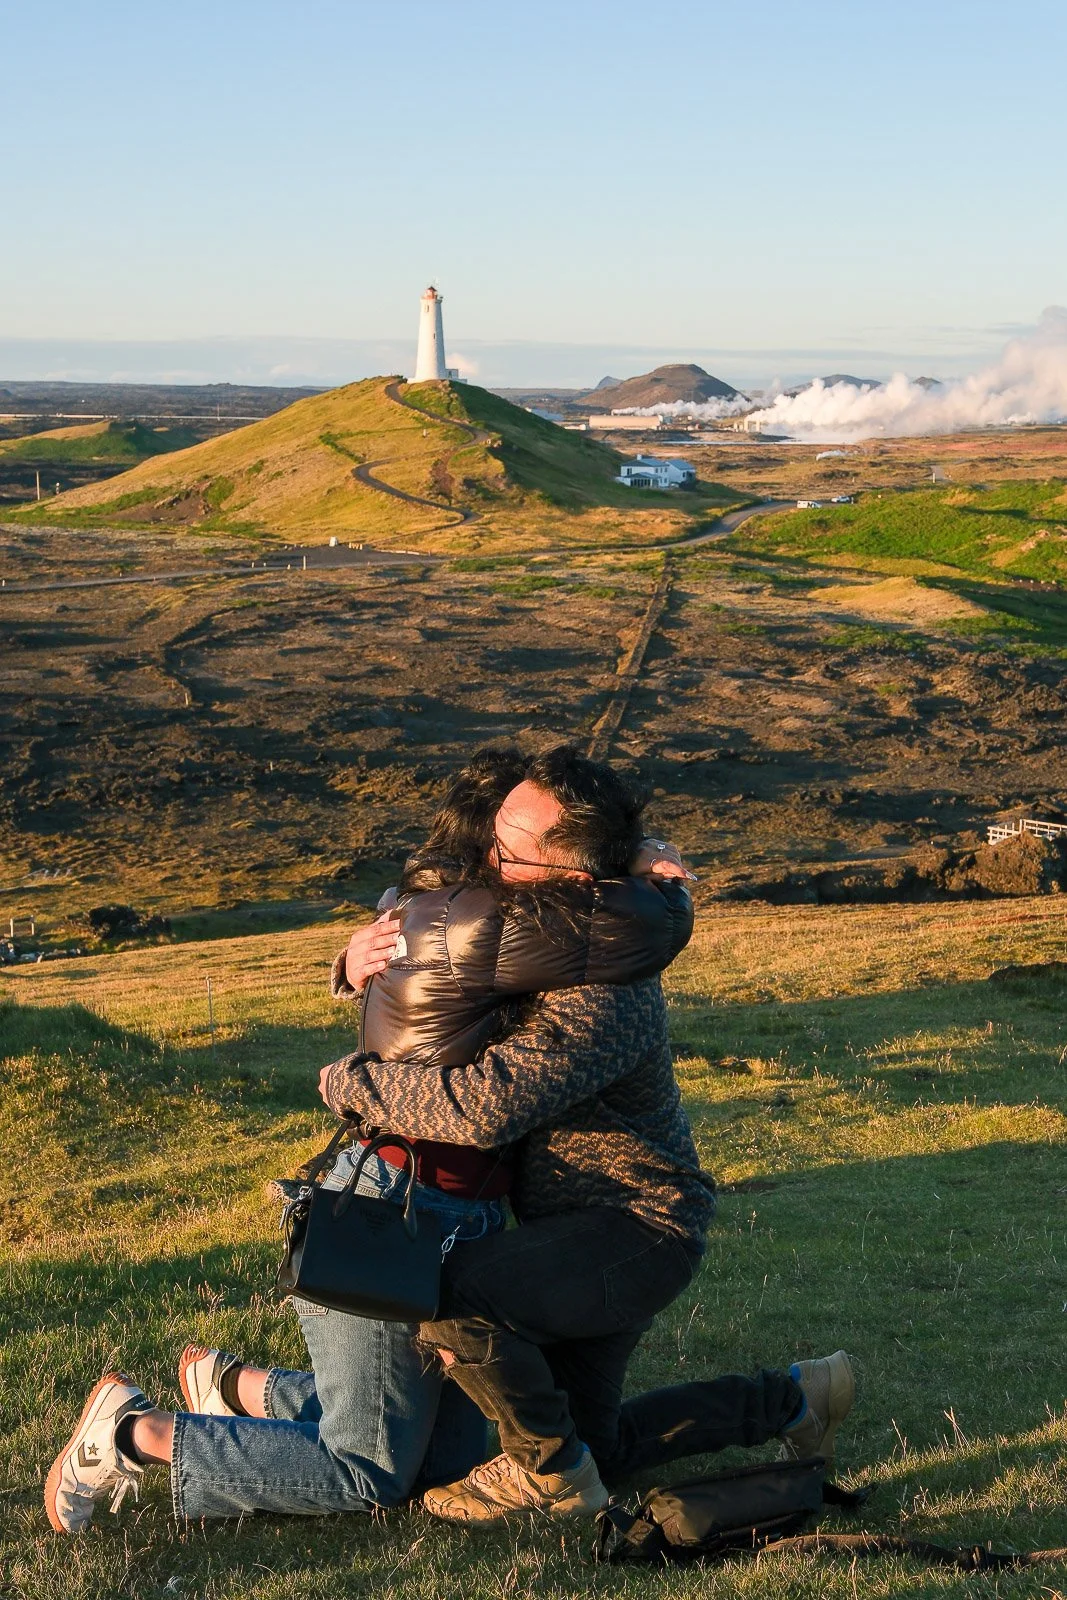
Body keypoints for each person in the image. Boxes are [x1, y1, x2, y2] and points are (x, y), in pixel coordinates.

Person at [44, 748, 698, 1534]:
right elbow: (598, 943)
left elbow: (579, 893)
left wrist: (631, 856)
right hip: (397, 1197)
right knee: (370, 1471)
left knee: (441, 1462)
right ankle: (132, 1434)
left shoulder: (521, 921)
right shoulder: (479, 919)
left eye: (511, 848)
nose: (495, 859)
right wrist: (348, 1066)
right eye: (494, 842)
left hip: (463, 1204)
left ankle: (238, 1389)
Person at [318, 750, 856, 1521]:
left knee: (448, 1294)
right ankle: (794, 1399)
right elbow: (449, 934)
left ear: (572, 876)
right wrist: (355, 960)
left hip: (633, 1229)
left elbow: (482, 1109)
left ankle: (546, 1475)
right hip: (575, 1228)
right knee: (594, 1442)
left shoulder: (605, 992)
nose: (488, 861)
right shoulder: (552, 931)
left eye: (508, 853)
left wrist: (349, 1084)